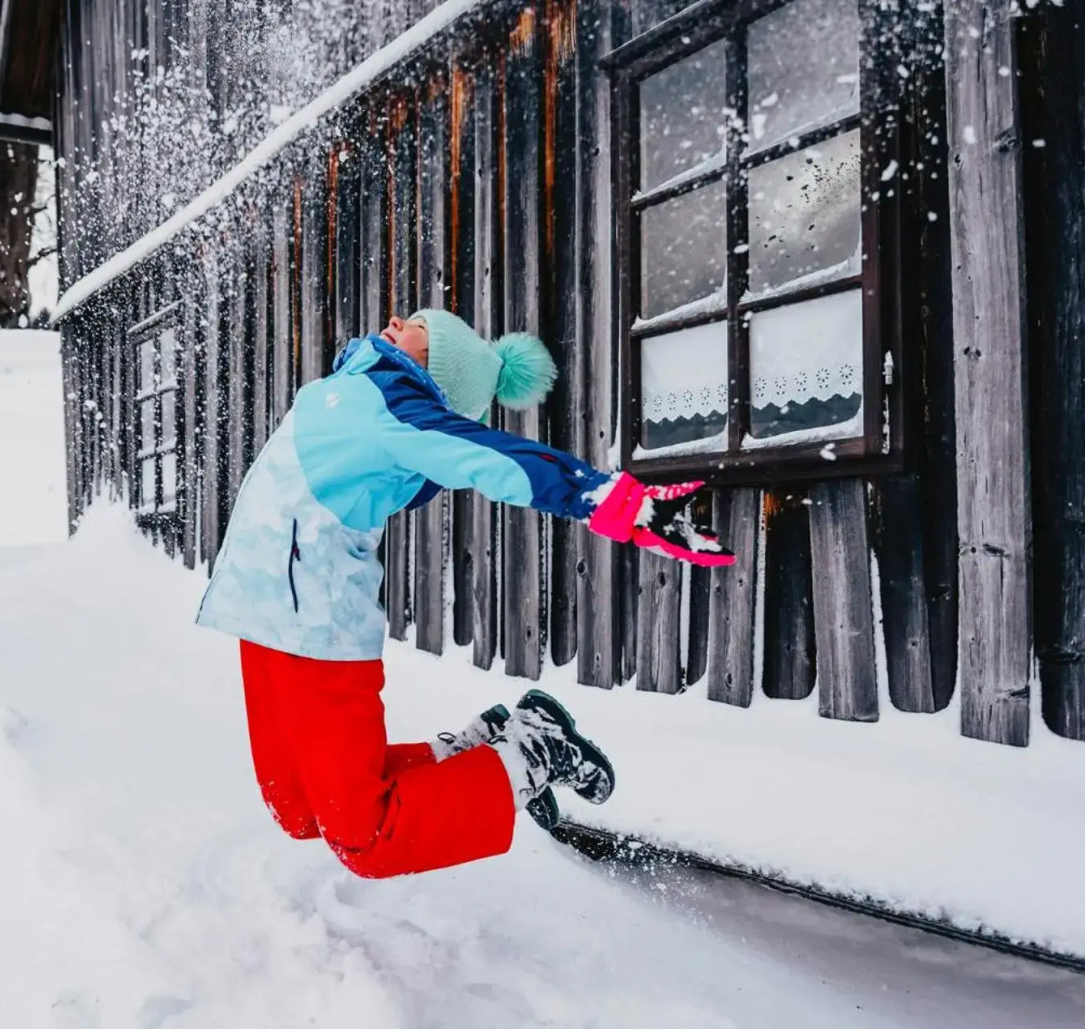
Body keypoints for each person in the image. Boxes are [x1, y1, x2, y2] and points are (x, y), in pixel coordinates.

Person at [196, 308, 733, 879]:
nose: (399, 319)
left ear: (439, 370)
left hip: (315, 626)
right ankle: (478, 750)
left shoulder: (398, 409)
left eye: (420, 327)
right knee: (298, 810)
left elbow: (494, 459)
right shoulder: (342, 388)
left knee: (367, 838)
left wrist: (620, 503)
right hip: (258, 615)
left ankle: (536, 751)